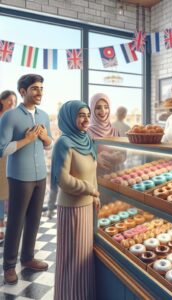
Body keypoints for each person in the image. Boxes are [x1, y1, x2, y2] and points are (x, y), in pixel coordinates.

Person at [0, 74, 52, 285]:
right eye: (34, 88)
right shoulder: (10, 117)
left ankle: (28, 258)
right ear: (23, 92)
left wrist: (42, 137)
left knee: (34, 219)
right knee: (15, 221)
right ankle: (9, 267)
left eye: (41, 88)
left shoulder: (44, 115)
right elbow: (3, 149)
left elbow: (48, 144)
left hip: (41, 175)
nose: (39, 92)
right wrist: (27, 139)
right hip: (19, 177)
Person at [51, 100, 99, 300]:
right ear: (70, 118)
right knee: (73, 260)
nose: (86, 118)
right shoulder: (63, 142)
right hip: (71, 209)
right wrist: (90, 190)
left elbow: (92, 172)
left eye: (87, 114)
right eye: (81, 115)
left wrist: (97, 194)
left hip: (87, 207)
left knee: (83, 259)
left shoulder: (87, 139)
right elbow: (63, 180)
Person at [88, 93, 125, 174]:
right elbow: (78, 157)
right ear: (92, 109)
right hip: (95, 178)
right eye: (98, 108)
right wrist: (94, 158)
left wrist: (120, 157)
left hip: (115, 176)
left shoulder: (115, 130)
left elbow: (123, 153)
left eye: (106, 107)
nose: (103, 111)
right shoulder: (86, 132)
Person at [0, 90, 17, 241]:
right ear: (2, 101)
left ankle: (9, 225)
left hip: (11, 159)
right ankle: (0, 225)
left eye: (14, 100)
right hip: (1, 159)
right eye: (9, 100)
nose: (12, 103)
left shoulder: (13, 118)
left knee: (10, 192)